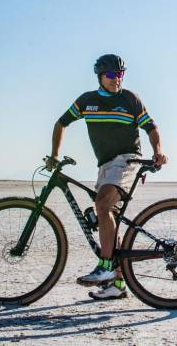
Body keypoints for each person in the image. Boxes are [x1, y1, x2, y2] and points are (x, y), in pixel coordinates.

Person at [47, 53, 168, 301]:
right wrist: (55, 155)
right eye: (111, 75)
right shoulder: (87, 101)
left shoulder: (130, 99)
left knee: (102, 205)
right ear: (100, 76)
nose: (117, 79)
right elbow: (61, 123)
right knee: (108, 218)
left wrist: (158, 151)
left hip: (127, 160)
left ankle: (105, 266)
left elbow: (151, 127)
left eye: (120, 74)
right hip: (105, 165)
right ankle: (117, 284)